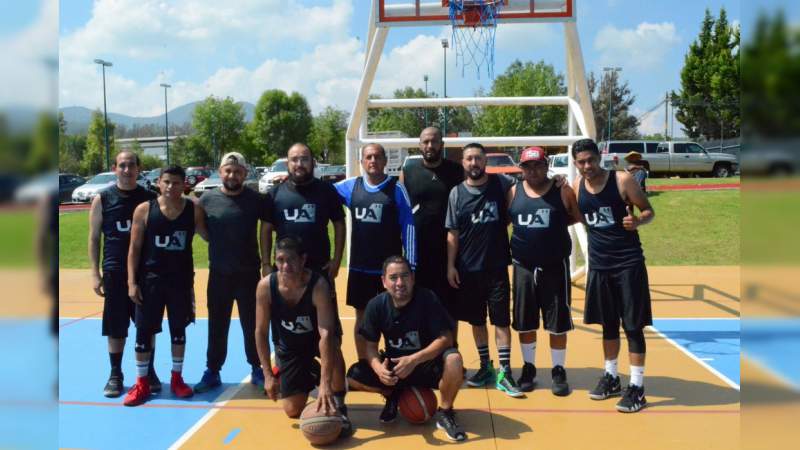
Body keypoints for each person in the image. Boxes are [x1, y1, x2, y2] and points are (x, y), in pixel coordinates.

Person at [571, 138, 655, 413]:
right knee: (608, 325)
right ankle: (611, 376)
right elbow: (571, 215)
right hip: (600, 266)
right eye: (581, 162)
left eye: (591, 160)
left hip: (628, 264)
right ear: (576, 164)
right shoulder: (576, 187)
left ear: (599, 157)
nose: (587, 166)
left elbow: (648, 210)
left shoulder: (622, 180)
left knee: (632, 326)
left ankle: (637, 387)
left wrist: (639, 220)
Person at [347, 255, 467, 442]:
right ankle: (392, 395)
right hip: (396, 369)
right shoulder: (376, 305)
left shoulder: (427, 298)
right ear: (384, 281)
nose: (400, 282)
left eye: (404, 276)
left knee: (454, 360)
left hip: (426, 364)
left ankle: (445, 412)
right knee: (354, 375)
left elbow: (446, 338)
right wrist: (380, 370)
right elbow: (370, 347)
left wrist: (414, 360)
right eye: (393, 277)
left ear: (412, 278)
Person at [254, 236, 352, 438]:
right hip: (289, 347)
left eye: (290, 260)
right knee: (292, 410)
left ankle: (340, 402)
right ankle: (311, 372)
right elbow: (260, 332)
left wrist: (326, 385)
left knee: (333, 346)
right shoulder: (266, 287)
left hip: (317, 342)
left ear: (303, 260)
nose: (285, 266)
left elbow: (326, 333)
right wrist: (267, 375)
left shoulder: (318, 285)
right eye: (280, 260)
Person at [445, 143, 522, 398]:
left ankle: (505, 371)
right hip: (468, 269)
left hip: (497, 266)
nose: (474, 163)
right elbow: (453, 234)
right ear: (463, 163)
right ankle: (485, 366)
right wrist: (450, 266)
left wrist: (558, 182)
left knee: (501, 321)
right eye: (469, 159)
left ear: (485, 160)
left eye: (478, 158)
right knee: (477, 321)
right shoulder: (456, 193)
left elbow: (528, 186)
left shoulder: (501, 184)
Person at [506, 147, 582, 395]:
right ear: (521, 168)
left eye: (538, 165)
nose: (533, 170)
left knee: (557, 322)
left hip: (554, 266)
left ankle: (558, 370)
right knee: (525, 321)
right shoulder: (514, 191)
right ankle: (529, 367)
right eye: (527, 166)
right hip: (523, 266)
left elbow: (575, 215)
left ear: (546, 165)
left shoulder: (562, 190)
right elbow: (507, 220)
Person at [193, 152, 269, 393]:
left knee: (253, 324)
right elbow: (201, 228)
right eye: (228, 170)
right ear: (220, 171)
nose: (232, 175)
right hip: (220, 274)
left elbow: (266, 228)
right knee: (217, 325)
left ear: (245, 174)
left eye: (237, 171)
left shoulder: (256, 199)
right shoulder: (207, 199)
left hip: (249, 274)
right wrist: (214, 241)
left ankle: (258, 368)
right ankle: (213, 370)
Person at [334, 143, 416, 361]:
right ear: (362, 161)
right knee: (362, 319)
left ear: (385, 161)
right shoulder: (351, 187)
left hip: (389, 271)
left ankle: (394, 362)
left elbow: (409, 225)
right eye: (368, 157)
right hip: (360, 268)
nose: (373, 161)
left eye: (377, 157)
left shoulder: (396, 189)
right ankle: (364, 365)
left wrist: (412, 264)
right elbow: (321, 192)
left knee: (394, 317)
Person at [88, 151, 158, 398]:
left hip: (145, 272)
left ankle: (148, 371)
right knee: (116, 326)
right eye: (122, 165)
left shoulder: (150, 198)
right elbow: (95, 238)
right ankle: (115, 374)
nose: (127, 170)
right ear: (114, 168)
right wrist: (95, 273)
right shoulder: (103, 199)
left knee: (147, 325)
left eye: (131, 165)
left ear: (139, 169)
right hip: (115, 271)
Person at [124, 165, 196, 406]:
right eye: (166, 182)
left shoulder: (193, 210)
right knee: (144, 332)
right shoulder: (144, 210)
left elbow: (209, 234)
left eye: (176, 183)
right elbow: (133, 249)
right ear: (158, 183)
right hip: (150, 281)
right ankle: (142, 383)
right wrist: (132, 282)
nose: (170, 187)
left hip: (180, 281)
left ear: (184, 184)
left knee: (179, 331)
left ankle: (177, 379)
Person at [400, 127, 463, 324]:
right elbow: (399, 208)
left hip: (449, 251)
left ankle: (451, 349)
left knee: (449, 309)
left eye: (434, 141)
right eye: (425, 142)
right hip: (417, 252)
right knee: (418, 306)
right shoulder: (408, 172)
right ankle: (423, 352)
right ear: (419, 145)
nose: (429, 145)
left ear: (441, 145)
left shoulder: (456, 171)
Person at [264, 143, 345, 289]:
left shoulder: (326, 190)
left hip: (320, 268)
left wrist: (337, 260)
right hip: (285, 268)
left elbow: (339, 224)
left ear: (313, 162)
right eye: (294, 160)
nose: (299, 164)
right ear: (287, 163)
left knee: (324, 311)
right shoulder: (275, 193)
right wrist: (265, 263)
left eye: (304, 159)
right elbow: (265, 229)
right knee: (284, 311)